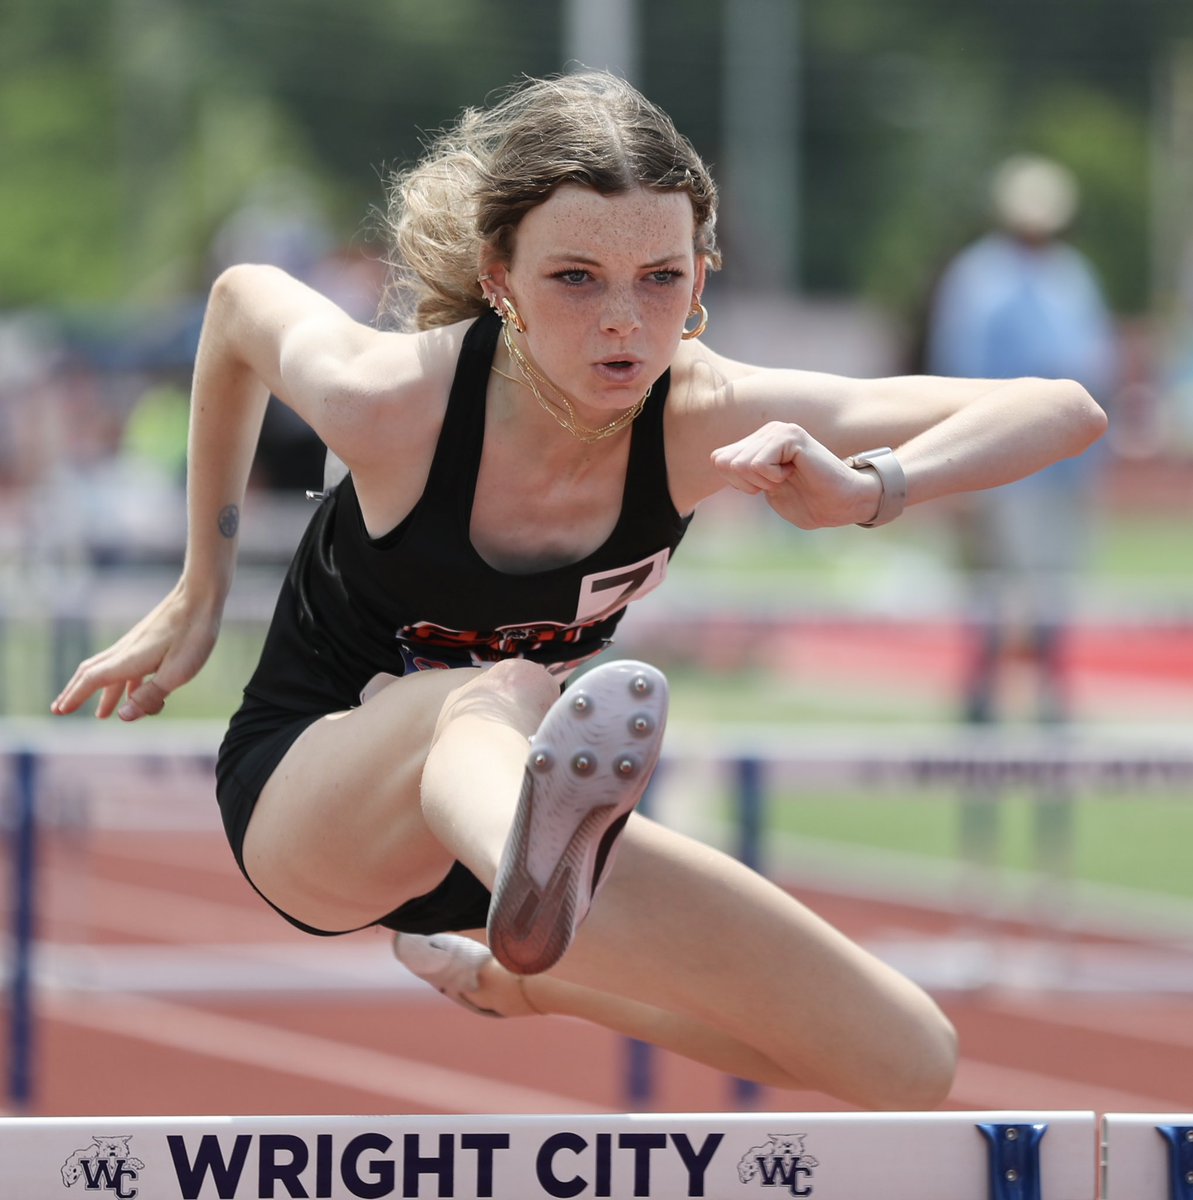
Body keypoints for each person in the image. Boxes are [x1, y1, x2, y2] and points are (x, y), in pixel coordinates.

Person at [51, 72, 1106, 1110]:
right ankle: (537, 861)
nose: (621, 322)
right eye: (575, 279)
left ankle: (531, 969)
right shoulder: (393, 400)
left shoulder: (703, 412)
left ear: (702, 281)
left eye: (659, 278)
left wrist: (870, 492)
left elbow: (1059, 408)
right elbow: (238, 302)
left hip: (521, 854)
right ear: (499, 275)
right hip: (318, 801)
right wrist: (202, 584)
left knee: (907, 1056)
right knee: (497, 689)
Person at [925, 154, 1119, 725]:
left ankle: (1049, 694)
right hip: (1000, 461)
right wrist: (954, 468)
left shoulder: (1072, 276)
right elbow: (958, 375)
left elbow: (1096, 368)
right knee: (995, 586)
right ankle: (983, 694)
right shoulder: (980, 277)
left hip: (1064, 466)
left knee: (1053, 586)